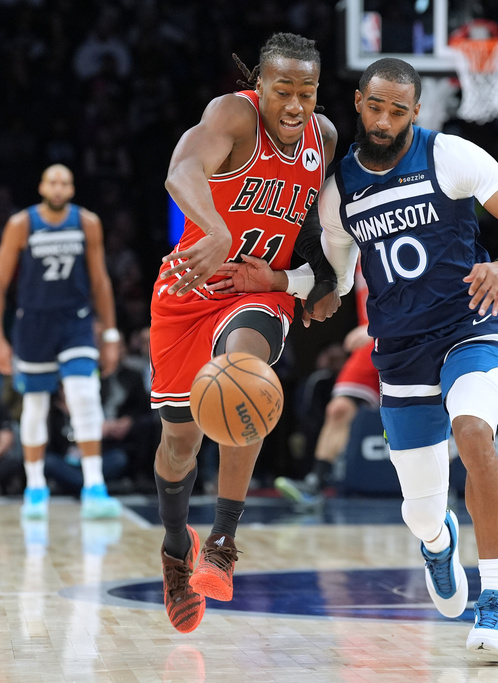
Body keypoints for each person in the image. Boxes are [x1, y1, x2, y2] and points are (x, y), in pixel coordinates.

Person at [215, 57, 498, 656]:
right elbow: (336, 281)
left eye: (399, 110)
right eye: (376, 106)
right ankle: (437, 541)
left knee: (475, 433)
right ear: (357, 102)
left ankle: (497, 598)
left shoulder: (450, 154)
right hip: (400, 354)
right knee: (420, 512)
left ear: (416, 112)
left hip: (468, 329)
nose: (385, 119)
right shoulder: (340, 188)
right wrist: (272, 279)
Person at [149, 33, 338, 635]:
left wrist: (316, 282)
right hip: (189, 287)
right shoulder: (233, 115)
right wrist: (215, 230)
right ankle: (177, 547)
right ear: (259, 85)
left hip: (258, 289)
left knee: (245, 378)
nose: (294, 105)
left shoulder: (324, 139)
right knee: (180, 442)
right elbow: (182, 170)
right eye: (282, 90)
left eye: (306, 93)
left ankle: (223, 539)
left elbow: (321, 225)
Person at [0, 164, 123, 520]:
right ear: (42, 186)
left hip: (75, 321)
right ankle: (35, 487)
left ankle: (94, 485)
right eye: (53, 182)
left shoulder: (87, 222)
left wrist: (109, 333)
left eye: (65, 182)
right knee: (35, 404)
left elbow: (101, 281)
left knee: (84, 394)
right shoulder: (22, 224)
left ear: (72, 189)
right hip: (33, 322)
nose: (59, 188)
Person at [274, 262, 378, 507]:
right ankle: (315, 485)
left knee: (427, 412)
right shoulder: (350, 246)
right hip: (372, 340)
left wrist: (377, 328)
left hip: (405, 334)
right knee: (338, 408)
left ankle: (446, 485)